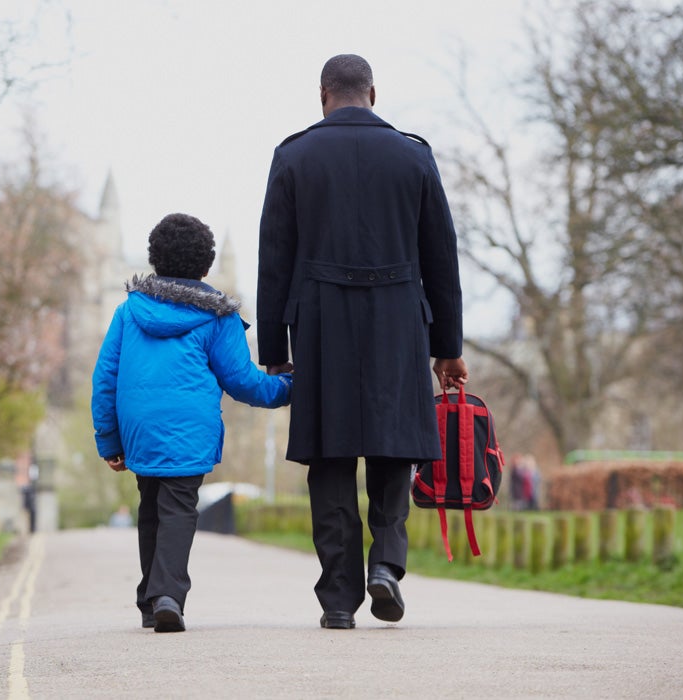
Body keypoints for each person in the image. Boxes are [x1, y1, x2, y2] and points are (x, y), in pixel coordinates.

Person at [256, 54, 468, 629]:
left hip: (321, 322)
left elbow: (273, 262)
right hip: (400, 319)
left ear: (322, 94)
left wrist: (274, 352)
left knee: (328, 457)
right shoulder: (413, 155)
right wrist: (447, 346)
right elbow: (441, 258)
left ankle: (338, 598)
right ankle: (386, 568)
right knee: (393, 447)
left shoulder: (292, 155)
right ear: (372, 92)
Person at [93, 212, 292, 633]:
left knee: (151, 504)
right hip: (190, 428)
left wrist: (108, 438)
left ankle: (150, 598)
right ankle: (168, 594)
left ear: (154, 260)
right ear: (206, 267)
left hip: (138, 427)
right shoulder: (217, 317)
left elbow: (105, 377)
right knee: (179, 507)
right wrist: (290, 387)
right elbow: (243, 382)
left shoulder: (129, 311)